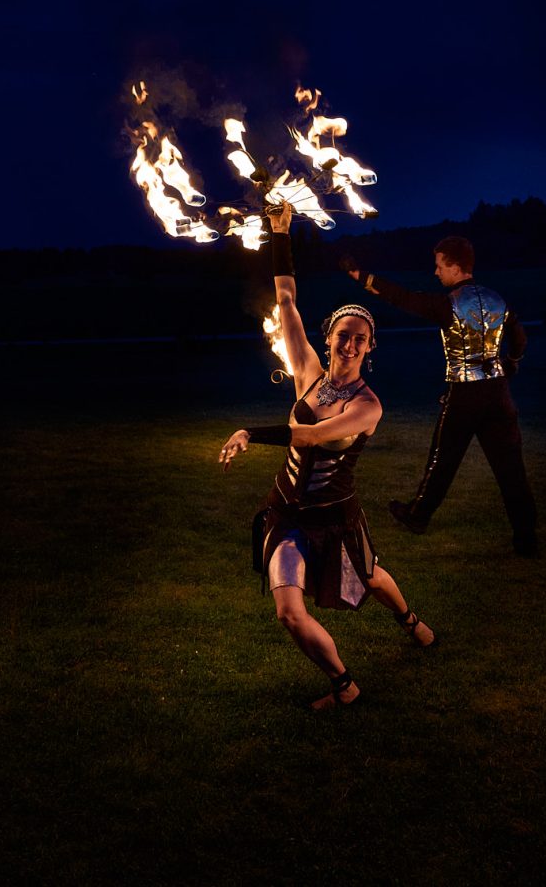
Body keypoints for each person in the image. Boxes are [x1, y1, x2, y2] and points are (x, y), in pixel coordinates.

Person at [219, 201, 435, 710]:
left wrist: (250, 430)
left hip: (336, 516)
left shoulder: (367, 406)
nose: (351, 344)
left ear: (370, 347)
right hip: (287, 514)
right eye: (344, 336)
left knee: (372, 575)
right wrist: (279, 234)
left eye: (361, 339)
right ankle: (345, 685)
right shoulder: (308, 375)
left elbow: (309, 437)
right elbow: (287, 301)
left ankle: (408, 619)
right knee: (289, 613)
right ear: (330, 338)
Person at [341, 236, 539, 556]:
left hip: (465, 395)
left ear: (456, 267)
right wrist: (511, 362)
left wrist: (361, 278)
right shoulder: (498, 300)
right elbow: (519, 338)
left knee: (443, 460)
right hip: (499, 394)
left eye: (440, 266)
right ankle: (526, 537)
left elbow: (402, 298)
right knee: (511, 467)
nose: (436, 273)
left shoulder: (449, 305)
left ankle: (418, 516)